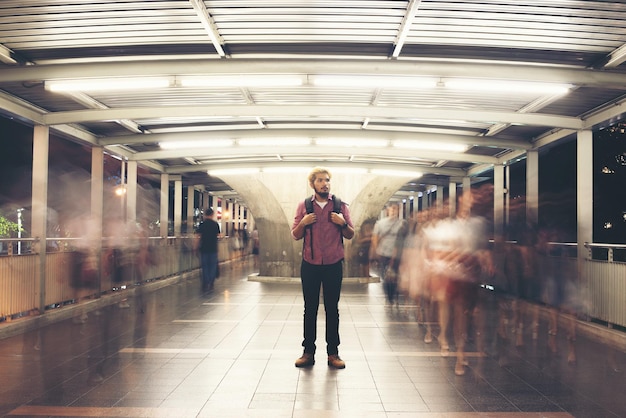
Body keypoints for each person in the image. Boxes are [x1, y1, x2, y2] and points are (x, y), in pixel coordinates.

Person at [291, 166, 354, 369]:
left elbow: (351, 234)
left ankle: (333, 353)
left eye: (327, 180)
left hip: (334, 264)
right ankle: (308, 352)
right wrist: (303, 222)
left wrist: (342, 223)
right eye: (319, 180)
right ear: (312, 184)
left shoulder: (340, 206)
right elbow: (295, 234)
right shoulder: (304, 206)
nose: (324, 183)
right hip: (310, 263)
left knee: (332, 309)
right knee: (309, 309)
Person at [370, 202, 408, 305]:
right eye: (392, 209)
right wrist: (375, 251)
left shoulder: (402, 223)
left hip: (397, 255)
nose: (393, 211)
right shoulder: (380, 224)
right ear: (388, 210)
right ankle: (388, 295)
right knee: (385, 276)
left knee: (395, 275)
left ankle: (394, 292)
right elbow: (375, 238)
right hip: (383, 253)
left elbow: (405, 238)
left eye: (396, 209)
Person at [196, 208, 220, 293]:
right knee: (212, 266)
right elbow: (218, 236)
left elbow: (198, 237)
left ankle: (206, 282)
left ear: (205, 214)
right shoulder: (215, 225)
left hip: (204, 248)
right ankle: (211, 282)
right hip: (213, 248)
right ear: (212, 215)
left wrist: (195, 247)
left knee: (205, 266)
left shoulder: (202, 224)